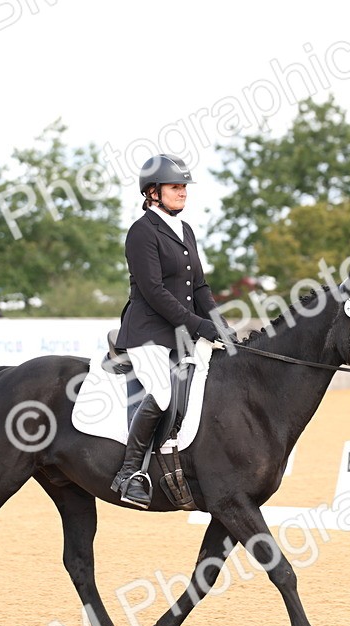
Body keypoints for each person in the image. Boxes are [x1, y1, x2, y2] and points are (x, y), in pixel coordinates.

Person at [110, 153, 227, 509]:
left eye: (184, 187)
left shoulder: (185, 230)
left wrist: (220, 325)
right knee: (162, 394)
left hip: (182, 334)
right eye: (176, 187)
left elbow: (201, 288)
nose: (183, 193)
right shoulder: (142, 232)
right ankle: (130, 474)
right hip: (148, 334)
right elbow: (154, 292)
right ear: (153, 192)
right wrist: (198, 325)